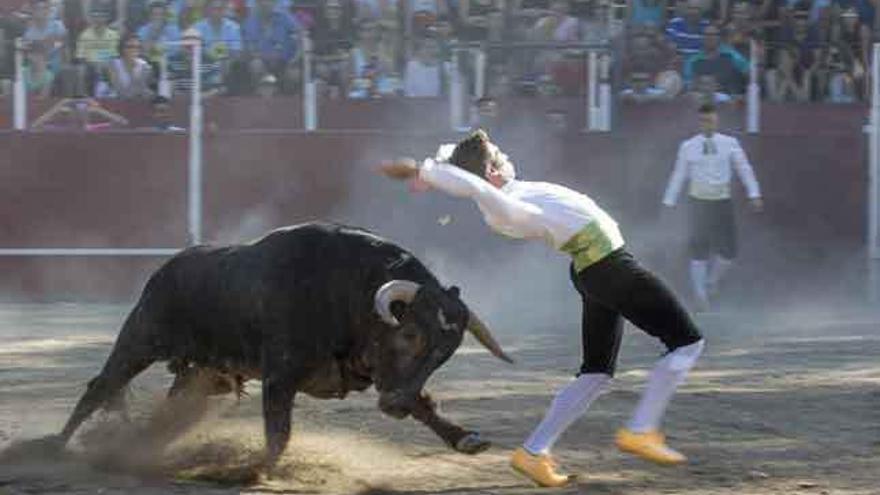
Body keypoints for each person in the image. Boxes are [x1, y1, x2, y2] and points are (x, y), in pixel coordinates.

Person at [378, 130, 706, 488]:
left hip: (591, 270)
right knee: (687, 343)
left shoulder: (504, 192)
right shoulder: (502, 203)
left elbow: (456, 166)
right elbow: (468, 182)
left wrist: (425, 171)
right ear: (490, 172)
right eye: (499, 157)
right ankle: (642, 429)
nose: (506, 158)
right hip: (610, 268)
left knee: (595, 373)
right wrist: (425, 172)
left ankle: (533, 453)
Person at [662, 103, 762, 310]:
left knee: (728, 252)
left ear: (717, 121)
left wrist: (754, 193)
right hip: (698, 201)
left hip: (721, 201)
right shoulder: (688, 146)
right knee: (699, 250)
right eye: (704, 120)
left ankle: (711, 281)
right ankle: (700, 296)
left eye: (712, 120)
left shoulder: (730, 143)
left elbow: (744, 169)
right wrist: (668, 201)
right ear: (699, 122)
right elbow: (678, 174)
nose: (708, 124)